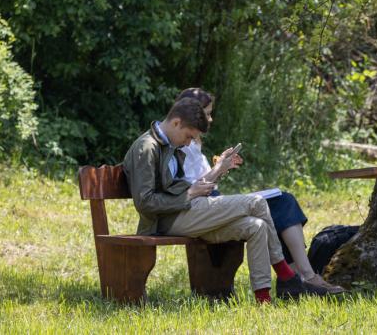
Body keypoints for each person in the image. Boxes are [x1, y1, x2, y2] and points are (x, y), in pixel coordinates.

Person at [122, 97, 328, 303]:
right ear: (176, 123)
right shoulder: (147, 148)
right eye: (188, 136)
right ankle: (287, 278)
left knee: (256, 227)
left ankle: (263, 300)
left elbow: (181, 188)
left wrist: (218, 170)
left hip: (186, 213)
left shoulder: (169, 145)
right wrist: (190, 194)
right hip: (167, 221)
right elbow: (145, 202)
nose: (188, 143)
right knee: (256, 202)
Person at [175, 88, 345, 294]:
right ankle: (300, 277)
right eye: (207, 113)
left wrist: (221, 167)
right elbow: (192, 188)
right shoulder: (180, 143)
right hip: (200, 209)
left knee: (283, 201)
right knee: (272, 205)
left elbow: (203, 182)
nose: (210, 120)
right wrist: (219, 169)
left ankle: (298, 276)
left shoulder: (193, 142)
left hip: (210, 203)